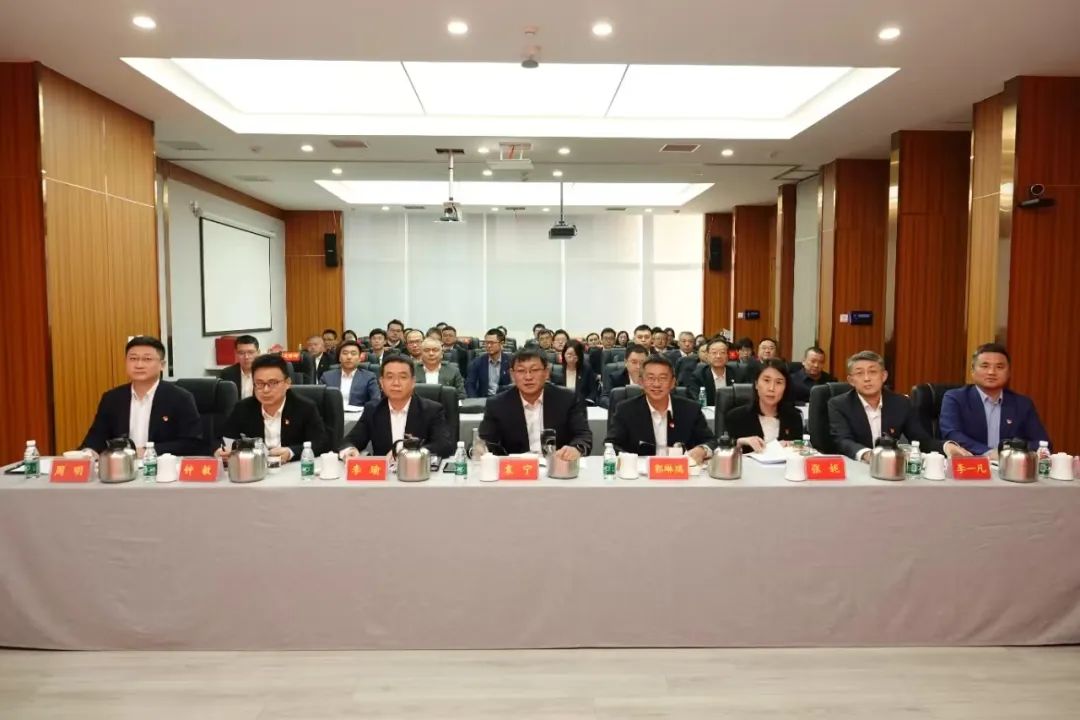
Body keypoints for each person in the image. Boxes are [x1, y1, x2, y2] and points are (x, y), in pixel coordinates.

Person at [79, 336, 203, 457]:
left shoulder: (180, 398)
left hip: (162, 466)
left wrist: (147, 451)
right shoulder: (112, 398)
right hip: (122, 466)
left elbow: (193, 443)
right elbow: (96, 437)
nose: (139, 365)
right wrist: (88, 452)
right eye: (133, 359)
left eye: (147, 359)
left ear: (162, 365)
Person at [828, 351, 962, 462]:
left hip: (891, 468)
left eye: (873, 372)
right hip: (855, 466)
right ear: (851, 380)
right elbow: (842, 440)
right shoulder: (839, 404)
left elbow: (920, 440)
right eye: (859, 373)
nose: (867, 378)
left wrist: (947, 447)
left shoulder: (902, 403)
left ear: (883, 376)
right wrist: (867, 454)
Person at [939, 343, 1050, 457]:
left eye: (999, 367)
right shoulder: (956, 398)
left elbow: (1042, 443)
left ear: (1009, 372)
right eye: (985, 366)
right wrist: (988, 453)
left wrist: (1008, 452)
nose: (991, 372)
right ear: (972, 370)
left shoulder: (1022, 404)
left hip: (1009, 465)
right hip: (973, 463)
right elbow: (952, 434)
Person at [478, 348, 592, 458]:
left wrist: (576, 449)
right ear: (512, 375)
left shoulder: (567, 399)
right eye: (521, 371)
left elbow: (583, 435)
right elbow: (483, 442)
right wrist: (478, 449)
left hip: (557, 465)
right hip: (517, 468)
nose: (528, 377)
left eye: (535, 370)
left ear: (546, 372)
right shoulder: (497, 405)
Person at [217, 354, 328, 462]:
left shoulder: (304, 407)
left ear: (287, 383)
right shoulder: (243, 408)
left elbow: (321, 443)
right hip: (256, 468)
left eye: (273, 383)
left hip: (291, 468)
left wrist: (291, 452)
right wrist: (221, 451)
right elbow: (225, 438)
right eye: (259, 383)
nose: (265, 390)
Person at [338, 355, 453, 460]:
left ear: (413, 382)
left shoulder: (432, 410)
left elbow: (444, 445)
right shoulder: (373, 409)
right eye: (389, 377)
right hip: (384, 473)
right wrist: (350, 450)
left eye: (403, 377)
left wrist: (406, 453)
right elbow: (350, 441)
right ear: (381, 382)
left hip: (418, 471)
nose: (396, 383)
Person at [605, 356, 715, 464]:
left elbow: (711, 441)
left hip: (679, 471)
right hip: (641, 472)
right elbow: (611, 444)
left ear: (672, 383)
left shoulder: (690, 409)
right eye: (651, 378)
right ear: (641, 382)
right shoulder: (626, 410)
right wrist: (629, 460)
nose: (657, 384)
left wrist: (703, 450)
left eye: (663, 378)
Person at [724, 358, 804, 452]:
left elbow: (799, 453)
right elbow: (723, 451)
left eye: (778, 382)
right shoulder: (736, 417)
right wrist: (739, 442)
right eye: (766, 380)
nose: (771, 388)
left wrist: (794, 446)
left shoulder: (794, 417)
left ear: (785, 387)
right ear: (756, 384)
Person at [321, 341, 380, 407]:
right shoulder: (327, 376)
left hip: (360, 412)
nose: (349, 357)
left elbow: (375, 400)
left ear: (359, 358)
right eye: (345, 353)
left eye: (353, 353)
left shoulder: (369, 377)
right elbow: (319, 400)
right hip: (333, 412)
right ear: (339, 358)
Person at [686, 337, 735, 406]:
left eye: (722, 352)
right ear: (708, 355)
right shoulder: (698, 376)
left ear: (727, 356)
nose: (718, 356)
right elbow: (695, 401)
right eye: (714, 353)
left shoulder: (737, 374)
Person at [466, 328, 513, 398]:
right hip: (484, 400)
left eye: (492, 343)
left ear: (502, 343)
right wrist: (475, 401)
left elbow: (514, 385)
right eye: (486, 342)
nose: (488, 346)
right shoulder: (477, 362)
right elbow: (470, 385)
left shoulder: (511, 362)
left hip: (505, 399)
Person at [598, 343, 648, 408]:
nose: (638, 366)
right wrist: (621, 408)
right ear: (626, 362)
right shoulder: (615, 378)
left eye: (642, 363)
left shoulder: (653, 379)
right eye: (634, 362)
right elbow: (604, 399)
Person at [554, 339, 596, 403]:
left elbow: (593, 392)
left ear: (580, 356)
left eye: (575, 355)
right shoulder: (557, 370)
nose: (572, 358)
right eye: (569, 354)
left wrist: (586, 403)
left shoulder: (586, 369)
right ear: (564, 354)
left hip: (582, 405)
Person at [220, 334, 260, 400]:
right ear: (236, 353)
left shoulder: (265, 373)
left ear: (258, 352)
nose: (246, 357)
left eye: (251, 352)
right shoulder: (227, 374)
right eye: (241, 353)